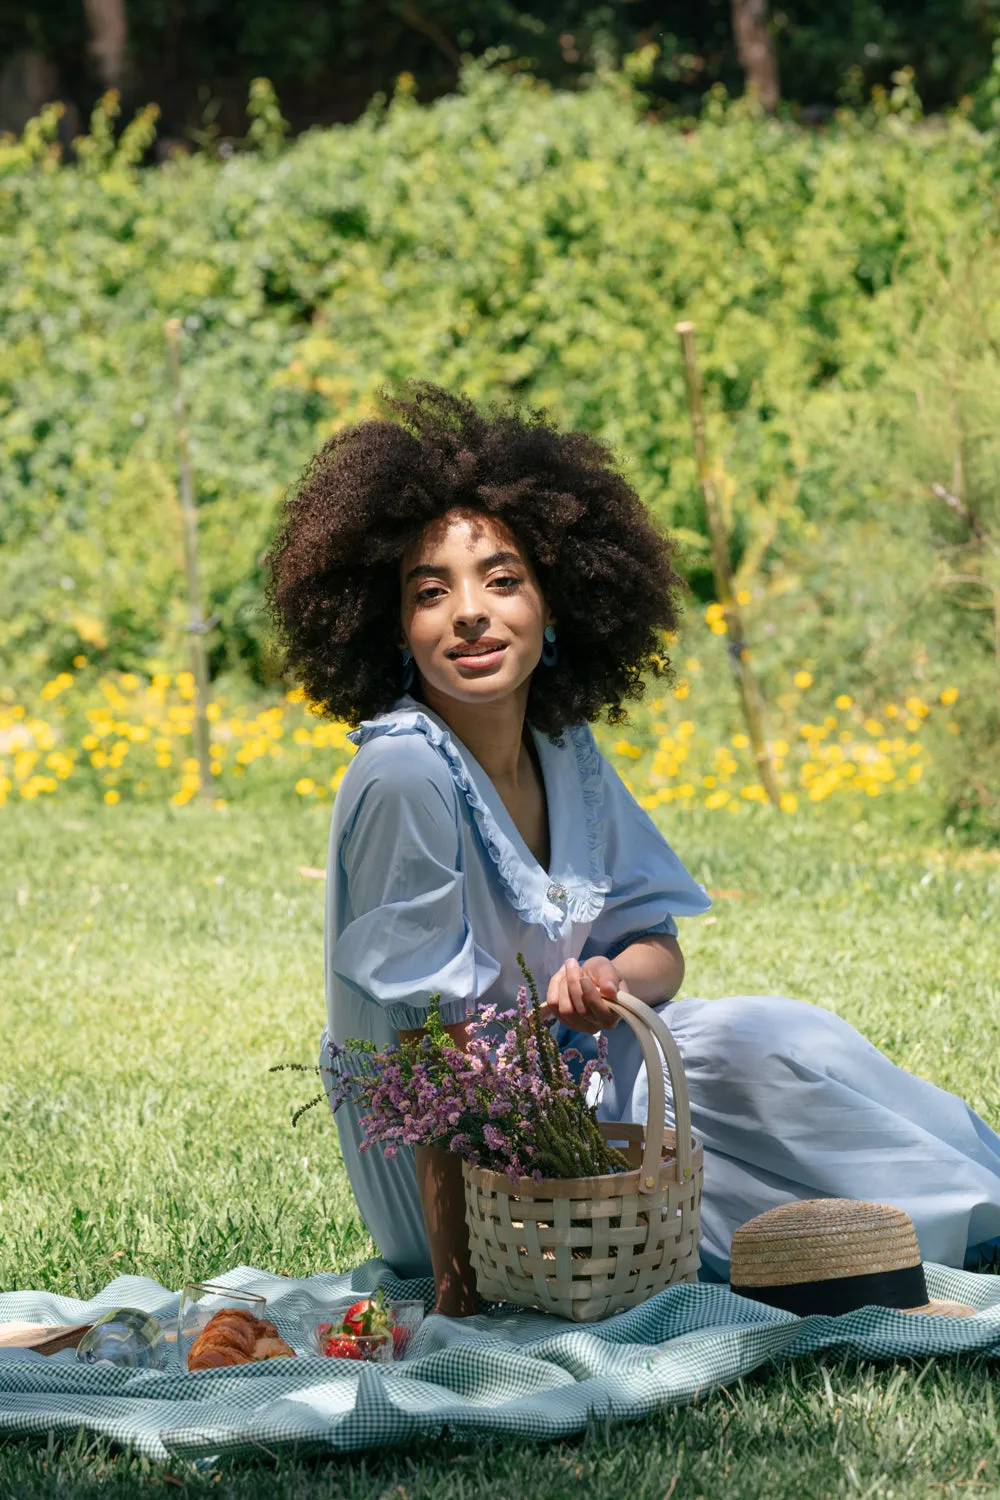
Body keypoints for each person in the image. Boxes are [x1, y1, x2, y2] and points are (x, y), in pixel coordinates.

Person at [267, 382, 1000, 1316]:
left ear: (556, 604)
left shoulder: (565, 750)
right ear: (395, 633)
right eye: (430, 591)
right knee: (733, 1131)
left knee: (776, 1039)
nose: (470, 613)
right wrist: (459, 1291)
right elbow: (427, 1059)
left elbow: (659, 946)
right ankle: (944, 1230)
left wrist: (610, 980)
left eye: (503, 579)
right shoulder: (405, 777)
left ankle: (976, 1216)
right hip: (465, 1175)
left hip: (588, 1088)